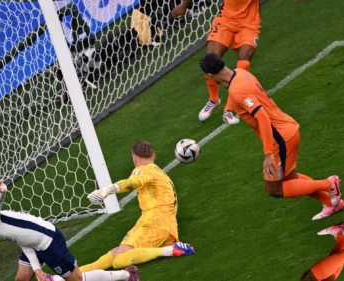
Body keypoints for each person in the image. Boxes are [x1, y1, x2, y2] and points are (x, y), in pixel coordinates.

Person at [199, 53, 342, 220]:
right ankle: (332, 203)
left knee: (274, 189)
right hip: (287, 129)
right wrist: (228, 109)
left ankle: (330, 184)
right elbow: (239, 93)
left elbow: (263, 117)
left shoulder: (237, 91)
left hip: (280, 139)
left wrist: (268, 154)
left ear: (209, 75)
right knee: (291, 179)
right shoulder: (241, 73)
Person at [0, 180, 141, 281]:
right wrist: (37, 269)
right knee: (21, 279)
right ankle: (48, 277)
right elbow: (24, 240)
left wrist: (1, 191)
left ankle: (127, 275)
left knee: (77, 280)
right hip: (34, 243)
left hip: (49, 241)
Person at [172, 0, 302, 124]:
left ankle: (229, 109)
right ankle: (214, 99)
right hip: (226, 19)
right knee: (209, 63)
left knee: (243, 64)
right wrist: (184, 5)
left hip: (249, 22)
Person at [82, 141, 194, 272]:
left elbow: (132, 182)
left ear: (134, 159)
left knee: (119, 261)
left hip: (154, 223)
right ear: (154, 155)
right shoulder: (158, 171)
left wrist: (106, 190)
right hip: (158, 223)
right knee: (114, 254)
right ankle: (65, 277)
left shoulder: (143, 170)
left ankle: (172, 250)